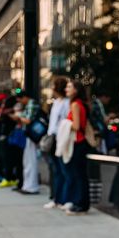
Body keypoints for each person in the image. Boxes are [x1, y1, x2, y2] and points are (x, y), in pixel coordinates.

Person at [64, 80, 90, 214]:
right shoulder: (80, 104)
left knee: (78, 175)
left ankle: (80, 203)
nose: (66, 89)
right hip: (80, 142)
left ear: (76, 90)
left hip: (77, 142)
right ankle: (82, 203)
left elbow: (76, 126)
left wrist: (65, 123)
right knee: (81, 175)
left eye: (69, 87)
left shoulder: (75, 104)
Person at [43, 77, 70, 209]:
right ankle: (56, 197)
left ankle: (62, 198)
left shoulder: (66, 102)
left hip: (60, 138)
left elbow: (65, 121)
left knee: (61, 169)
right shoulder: (56, 102)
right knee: (54, 169)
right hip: (53, 137)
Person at [13, 90, 40, 194]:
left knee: (30, 161)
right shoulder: (29, 104)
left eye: (20, 99)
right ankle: (28, 185)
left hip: (32, 135)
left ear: (25, 97)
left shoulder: (32, 103)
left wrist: (19, 116)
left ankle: (31, 186)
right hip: (28, 135)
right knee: (27, 161)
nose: (20, 101)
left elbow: (28, 120)